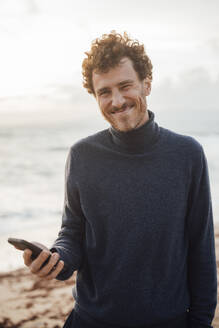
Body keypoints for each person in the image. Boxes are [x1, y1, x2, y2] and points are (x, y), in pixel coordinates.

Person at [22, 31, 217, 328]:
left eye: (125, 86)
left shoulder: (186, 155)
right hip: (91, 321)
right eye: (104, 91)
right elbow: (73, 233)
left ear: (146, 84)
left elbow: (201, 250)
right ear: (95, 96)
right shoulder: (82, 156)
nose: (116, 101)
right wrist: (56, 260)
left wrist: (201, 322)